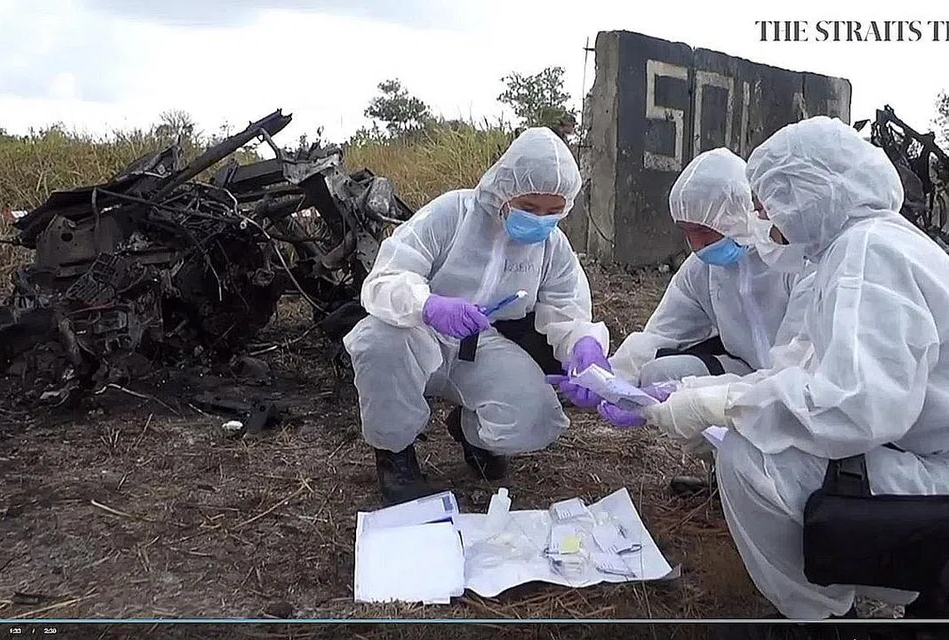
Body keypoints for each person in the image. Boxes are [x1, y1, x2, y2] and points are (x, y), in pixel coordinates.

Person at [603, 116, 949, 625]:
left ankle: (822, 620)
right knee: (760, 438)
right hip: (923, 455)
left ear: (806, 194)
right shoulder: (854, 250)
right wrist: (695, 390)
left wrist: (720, 404)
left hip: (934, 473)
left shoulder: (868, 254)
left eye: (769, 207)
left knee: (755, 459)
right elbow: (798, 366)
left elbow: (857, 406)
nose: (766, 222)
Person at [343, 127, 610, 506]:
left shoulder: (551, 245)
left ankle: (470, 432)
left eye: (553, 211)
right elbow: (385, 277)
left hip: (482, 344)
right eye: (530, 207)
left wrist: (584, 344)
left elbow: (567, 306)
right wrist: (429, 305)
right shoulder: (453, 213)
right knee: (379, 340)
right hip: (419, 333)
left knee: (538, 419)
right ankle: (395, 454)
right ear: (505, 188)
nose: (540, 220)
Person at [605, 147, 809, 494]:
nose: (696, 245)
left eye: (705, 231)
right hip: (745, 374)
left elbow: (802, 365)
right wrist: (613, 379)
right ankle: (724, 480)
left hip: (799, 385)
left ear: (737, 216)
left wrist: (704, 397)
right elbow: (662, 332)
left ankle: (779, 487)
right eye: (687, 232)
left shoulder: (789, 260)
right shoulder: (703, 269)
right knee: (661, 374)